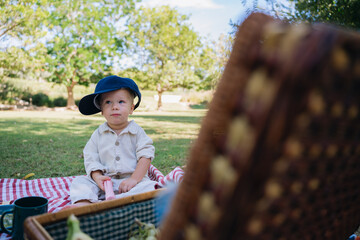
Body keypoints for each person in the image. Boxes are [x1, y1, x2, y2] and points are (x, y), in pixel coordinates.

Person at [68, 75, 157, 207]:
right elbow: (91, 156)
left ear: (131, 108)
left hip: (131, 183)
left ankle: (120, 201)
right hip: (105, 182)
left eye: (121, 102)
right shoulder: (98, 134)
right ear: (101, 110)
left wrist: (134, 179)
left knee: (149, 186)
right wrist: (97, 177)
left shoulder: (137, 132)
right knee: (80, 182)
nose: (114, 107)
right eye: (108, 102)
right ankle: (83, 205)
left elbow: (146, 155)